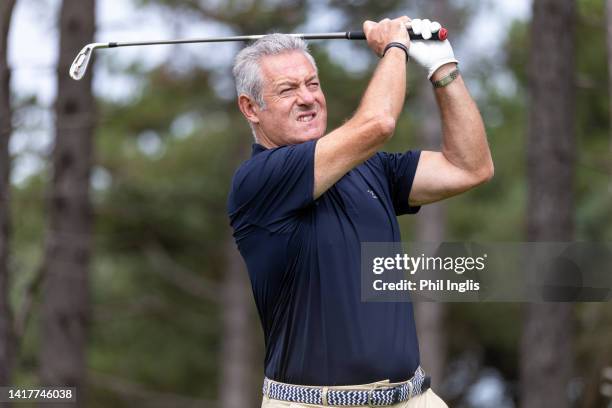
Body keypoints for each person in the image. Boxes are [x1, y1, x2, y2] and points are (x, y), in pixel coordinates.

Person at [228, 16, 493, 408]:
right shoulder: (259, 180)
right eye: (287, 90)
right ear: (251, 108)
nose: (307, 98)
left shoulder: (370, 169)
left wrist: (442, 69)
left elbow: (471, 167)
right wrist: (395, 47)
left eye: (312, 84)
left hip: (414, 398)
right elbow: (378, 122)